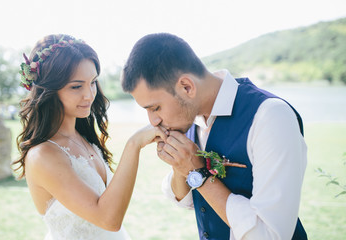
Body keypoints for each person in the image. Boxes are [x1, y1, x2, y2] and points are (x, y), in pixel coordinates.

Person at [121, 33, 308, 240]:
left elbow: (270, 235)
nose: (153, 121)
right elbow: (186, 200)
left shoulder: (270, 116)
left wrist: (197, 172)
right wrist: (180, 164)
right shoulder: (190, 117)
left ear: (186, 87)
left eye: (155, 108)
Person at [12, 34, 167, 240]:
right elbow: (108, 219)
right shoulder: (43, 155)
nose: (89, 95)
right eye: (76, 86)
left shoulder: (83, 137)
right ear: (49, 89)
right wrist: (134, 144)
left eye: (93, 82)